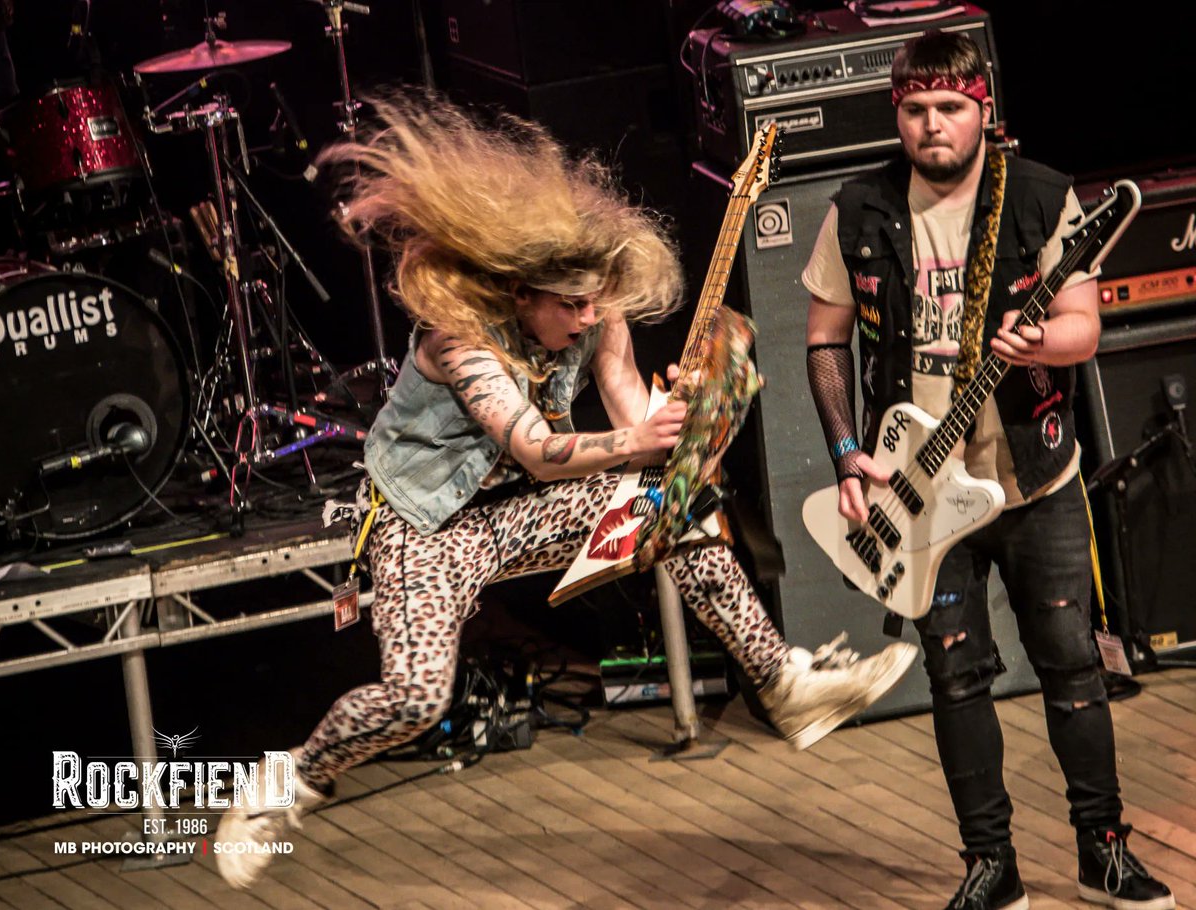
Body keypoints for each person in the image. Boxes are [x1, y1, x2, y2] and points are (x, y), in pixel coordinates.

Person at [215, 94, 918, 890]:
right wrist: (636, 445)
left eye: (594, 303)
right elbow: (537, 450)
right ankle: (288, 782)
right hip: (424, 528)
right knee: (415, 699)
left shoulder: (598, 310)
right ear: (522, 294)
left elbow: (627, 407)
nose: (586, 319)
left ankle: (783, 682)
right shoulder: (460, 340)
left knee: (669, 505)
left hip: (513, 517)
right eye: (569, 306)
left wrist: (681, 426)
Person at [801, 30, 1173, 910]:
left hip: (1034, 479)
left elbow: (1083, 327)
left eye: (950, 108)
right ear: (896, 112)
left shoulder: (1040, 196)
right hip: (918, 492)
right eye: (915, 109)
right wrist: (847, 453)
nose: (933, 125)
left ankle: (1103, 849)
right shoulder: (858, 209)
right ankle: (991, 864)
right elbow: (824, 341)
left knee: (1072, 666)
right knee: (956, 676)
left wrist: (1038, 341)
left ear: (983, 109)